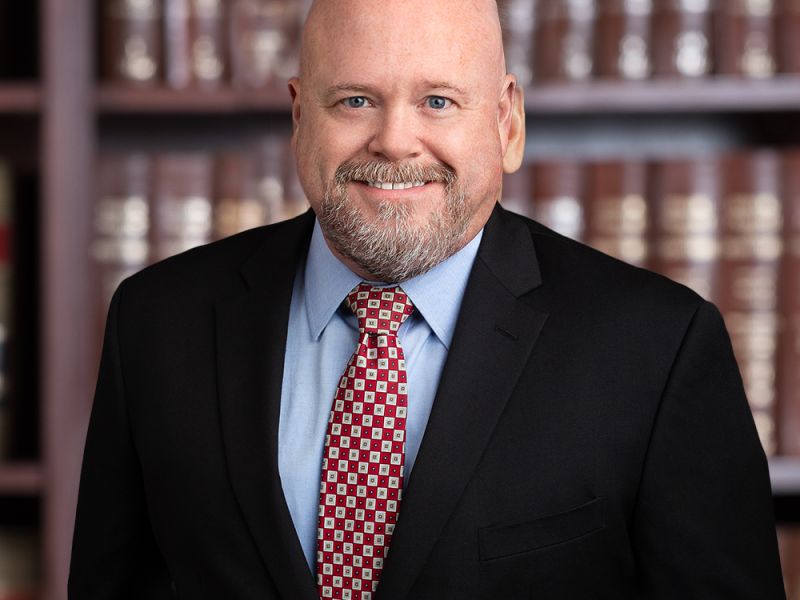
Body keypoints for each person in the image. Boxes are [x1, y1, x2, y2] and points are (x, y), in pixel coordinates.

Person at [69, 0, 785, 598]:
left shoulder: (658, 349)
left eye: (437, 101)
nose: (394, 141)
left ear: (507, 124)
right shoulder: (156, 323)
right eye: (355, 100)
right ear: (299, 117)